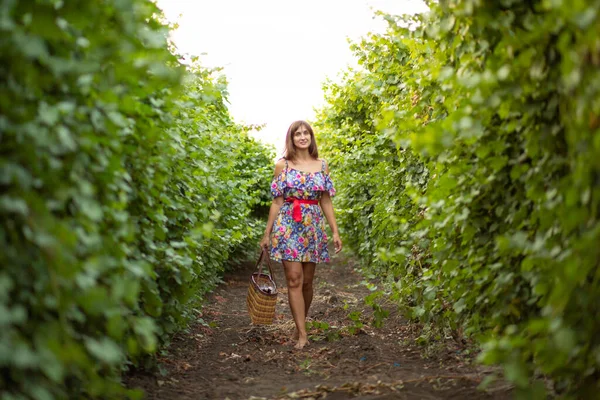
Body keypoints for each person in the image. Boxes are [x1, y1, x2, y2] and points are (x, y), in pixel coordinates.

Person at [259, 120, 342, 349]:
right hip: (288, 224)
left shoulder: (322, 165)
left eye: (306, 133)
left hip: (312, 225)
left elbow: (325, 199)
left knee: (307, 283)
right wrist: (267, 233)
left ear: (311, 137)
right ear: (292, 138)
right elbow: (277, 202)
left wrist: (335, 231)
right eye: (298, 134)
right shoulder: (282, 165)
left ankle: (299, 326)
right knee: (294, 279)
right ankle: (303, 335)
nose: (303, 137)